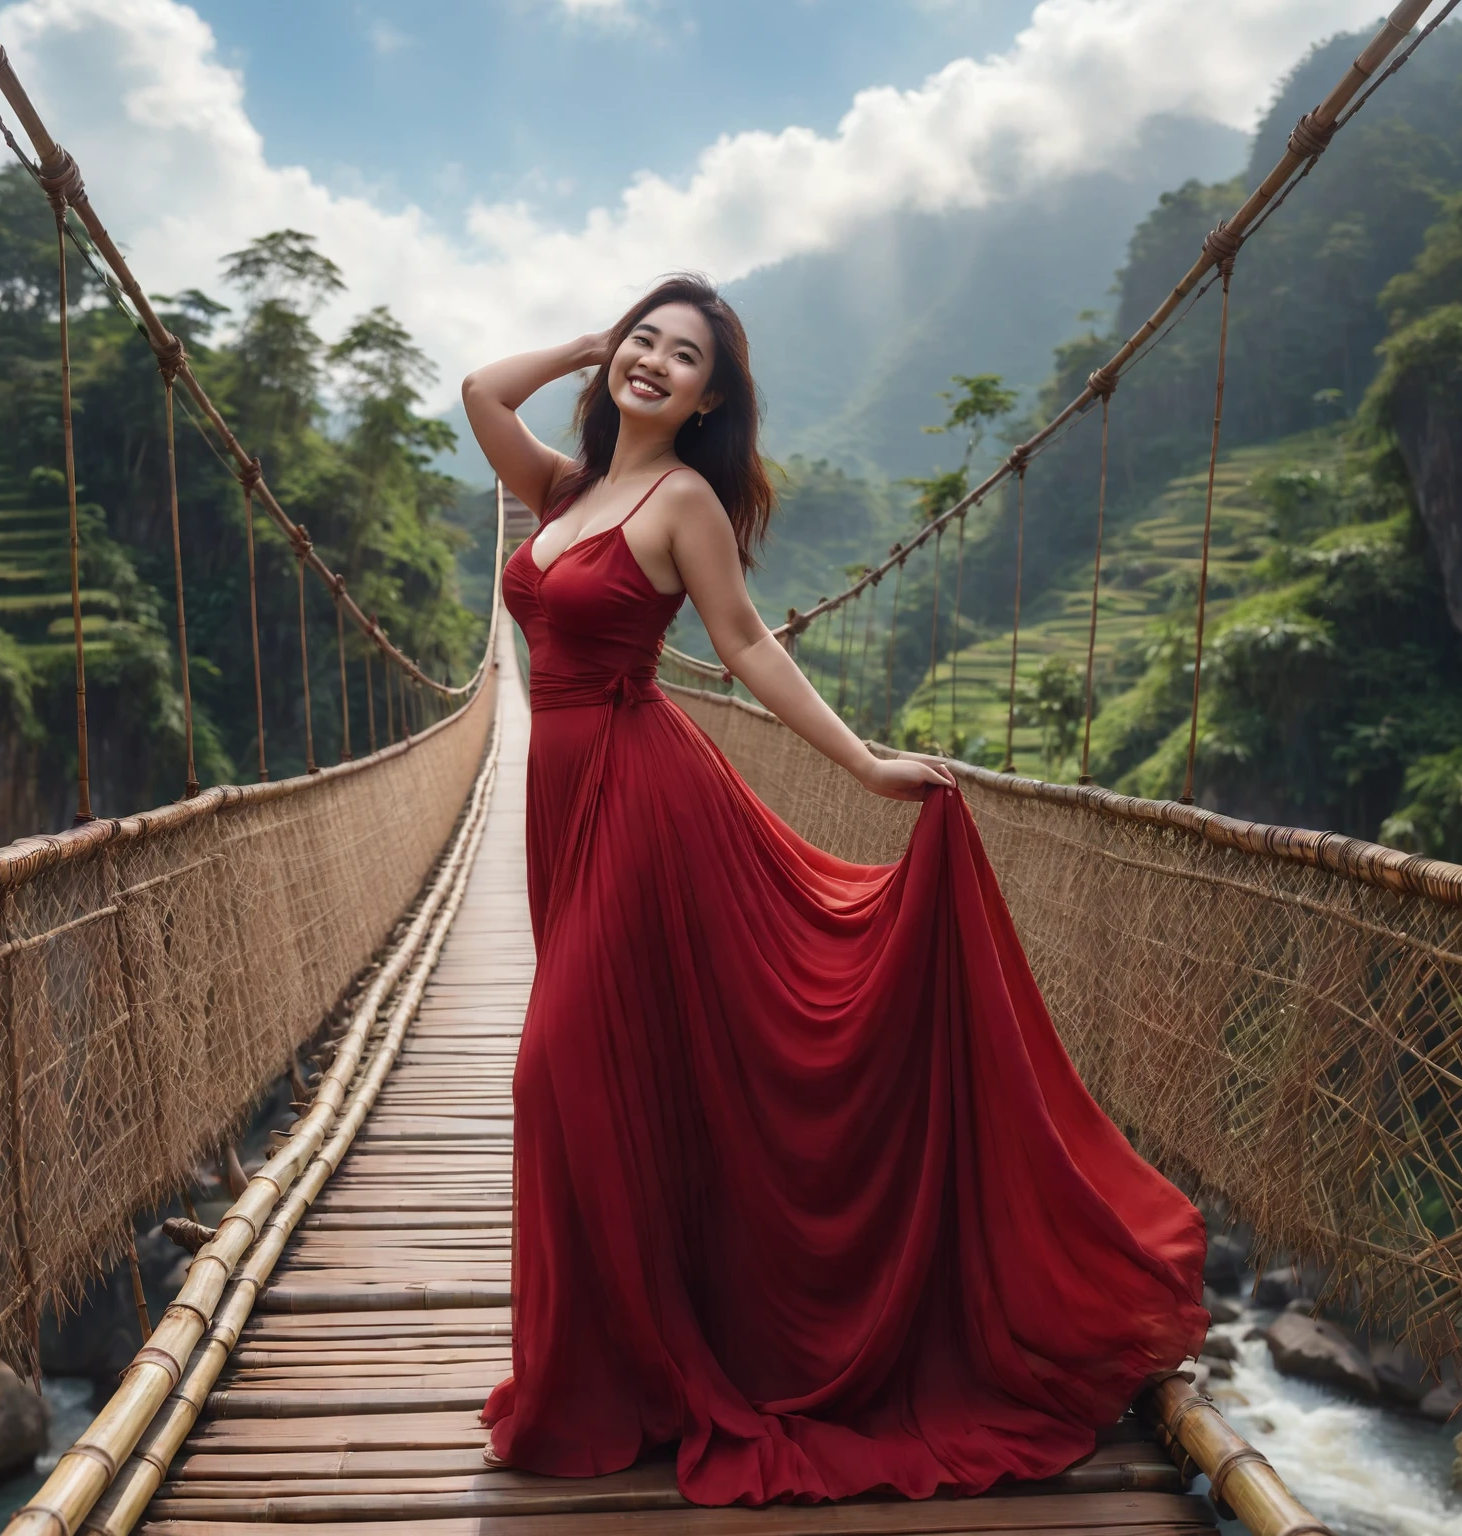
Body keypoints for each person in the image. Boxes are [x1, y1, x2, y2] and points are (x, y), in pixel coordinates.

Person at [461, 273, 1208, 1507]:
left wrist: (863, 764)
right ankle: (627, 1371)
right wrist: (593, 343)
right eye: (642, 343)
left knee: (555, 1071)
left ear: (711, 398)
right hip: (561, 809)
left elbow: (745, 644)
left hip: (646, 804)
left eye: (681, 356)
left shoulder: (682, 499)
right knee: (618, 1077)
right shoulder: (562, 491)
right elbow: (482, 392)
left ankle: (608, 1376)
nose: (652, 363)